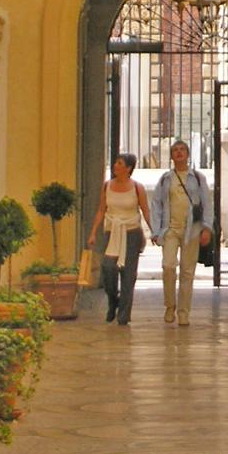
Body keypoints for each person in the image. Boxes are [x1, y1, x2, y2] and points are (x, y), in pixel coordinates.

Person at [150, 140, 213, 327]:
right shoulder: (166, 179)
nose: (179, 152)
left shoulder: (198, 178)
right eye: (175, 150)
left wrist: (206, 228)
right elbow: (156, 204)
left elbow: (207, 203)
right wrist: (156, 230)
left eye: (182, 149)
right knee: (168, 266)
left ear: (187, 154)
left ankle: (184, 312)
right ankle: (170, 305)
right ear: (171, 156)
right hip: (170, 229)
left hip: (192, 230)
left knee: (187, 272)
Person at [87, 153, 153, 326]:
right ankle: (113, 300)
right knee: (108, 267)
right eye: (116, 163)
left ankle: (123, 315)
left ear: (128, 168)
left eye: (119, 163)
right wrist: (93, 232)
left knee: (128, 275)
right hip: (112, 232)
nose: (115, 166)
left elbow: (145, 211)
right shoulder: (107, 186)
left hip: (131, 233)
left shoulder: (137, 188)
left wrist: (154, 231)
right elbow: (101, 210)